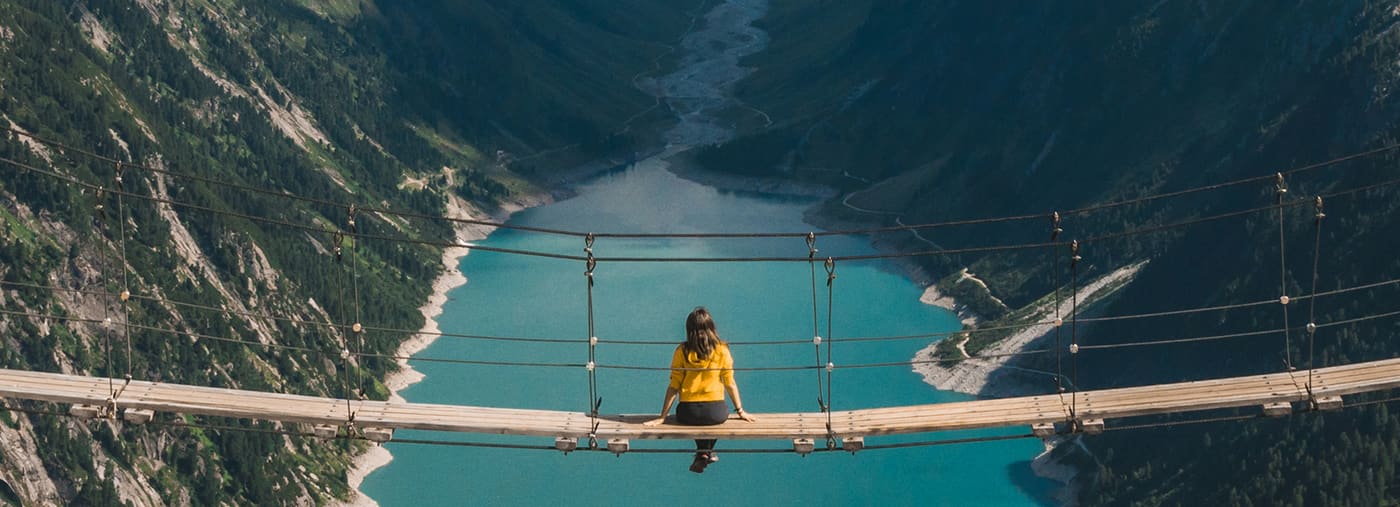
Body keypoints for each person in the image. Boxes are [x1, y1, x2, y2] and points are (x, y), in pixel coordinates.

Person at [643, 307, 757, 473]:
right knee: (714, 417)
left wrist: (662, 417)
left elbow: (674, 386)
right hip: (715, 412)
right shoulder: (722, 350)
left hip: (688, 413)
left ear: (689, 331)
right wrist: (740, 411)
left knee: (697, 418)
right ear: (712, 328)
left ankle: (703, 452)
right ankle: (705, 452)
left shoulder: (682, 351)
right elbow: (730, 383)